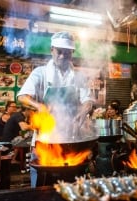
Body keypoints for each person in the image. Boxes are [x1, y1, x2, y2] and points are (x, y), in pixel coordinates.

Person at [17, 31, 94, 187]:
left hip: (70, 142)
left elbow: (88, 101)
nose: (62, 56)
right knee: (41, 191)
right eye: (59, 51)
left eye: (67, 53)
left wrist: (83, 111)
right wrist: (39, 105)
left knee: (70, 189)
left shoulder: (79, 77)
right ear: (52, 49)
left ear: (72, 53)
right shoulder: (40, 73)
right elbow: (22, 96)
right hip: (45, 142)